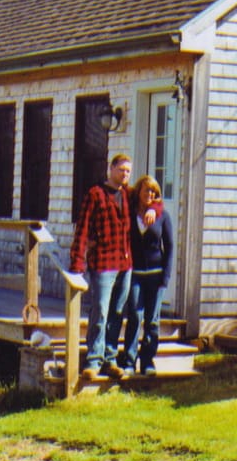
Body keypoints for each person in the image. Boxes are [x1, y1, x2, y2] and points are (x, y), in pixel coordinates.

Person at [70, 153, 134, 379]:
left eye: (128, 171)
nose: (125, 175)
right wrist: (77, 262)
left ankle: (110, 358)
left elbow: (153, 197)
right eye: (121, 170)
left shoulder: (127, 194)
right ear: (111, 169)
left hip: (125, 263)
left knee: (117, 312)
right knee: (100, 310)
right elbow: (83, 228)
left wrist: (152, 210)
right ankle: (93, 361)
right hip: (103, 263)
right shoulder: (95, 194)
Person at [122, 175, 173, 376]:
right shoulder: (130, 213)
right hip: (135, 274)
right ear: (139, 192)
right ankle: (128, 361)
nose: (150, 195)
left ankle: (148, 361)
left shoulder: (162, 216)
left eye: (154, 192)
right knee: (135, 316)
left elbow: (168, 247)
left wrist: (166, 277)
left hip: (155, 275)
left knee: (152, 320)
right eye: (147, 191)